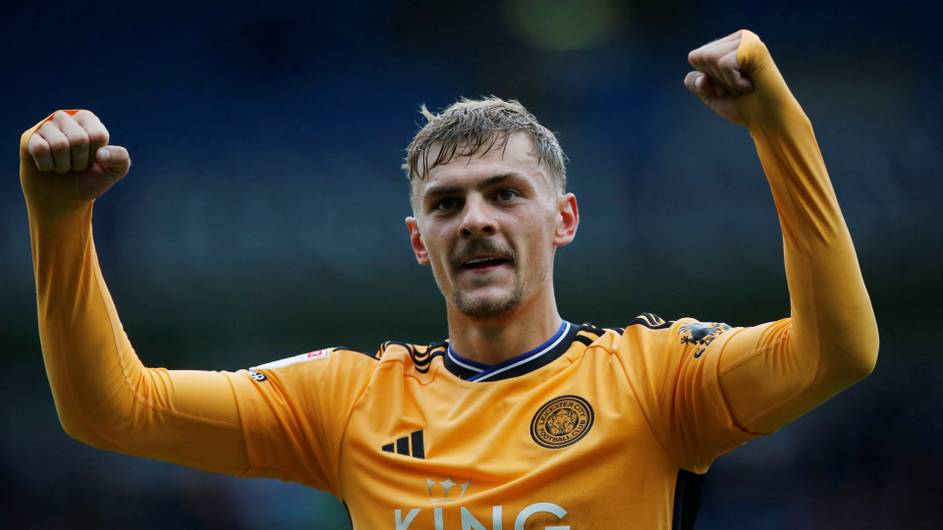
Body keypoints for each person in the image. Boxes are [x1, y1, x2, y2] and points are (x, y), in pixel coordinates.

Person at [20, 30, 877, 529]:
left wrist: (777, 124)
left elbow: (836, 351)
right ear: (418, 241)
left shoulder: (655, 379)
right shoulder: (348, 402)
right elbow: (110, 410)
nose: (474, 219)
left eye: (505, 194)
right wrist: (60, 219)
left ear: (564, 220)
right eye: (446, 203)